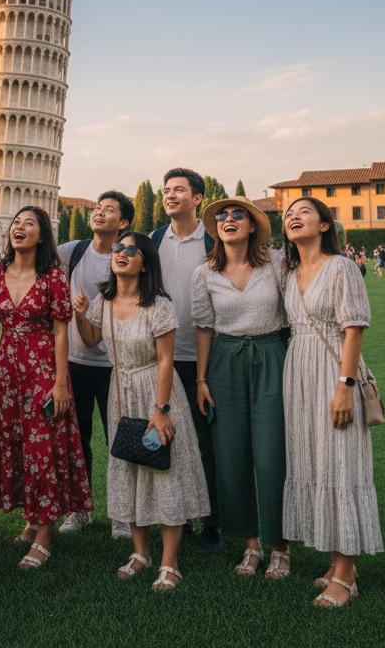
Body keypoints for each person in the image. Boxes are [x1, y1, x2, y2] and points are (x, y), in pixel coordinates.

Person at [73, 232, 209, 592]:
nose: (121, 253)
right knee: (129, 467)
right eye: (118, 248)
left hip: (156, 390)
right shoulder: (104, 300)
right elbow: (91, 340)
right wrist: (80, 315)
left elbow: (166, 360)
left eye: (131, 250)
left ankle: (169, 561)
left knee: (164, 470)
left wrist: (161, 410)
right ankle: (140, 553)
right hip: (121, 392)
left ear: (145, 263)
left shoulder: (158, 305)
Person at [281, 196, 382, 607]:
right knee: (315, 461)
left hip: (333, 370)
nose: (293, 217)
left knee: (341, 461)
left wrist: (344, 385)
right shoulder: (289, 274)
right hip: (299, 375)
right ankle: (338, 562)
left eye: (303, 212)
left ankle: (345, 575)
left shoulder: (341, 267)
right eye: (289, 214)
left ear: (324, 225)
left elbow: (354, 327)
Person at [191, 197, 291, 580]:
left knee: (271, 457)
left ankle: (279, 545)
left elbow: (294, 313)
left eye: (237, 215)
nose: (228, 220)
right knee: (231, 456)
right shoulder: (204, 274)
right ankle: (251, 544)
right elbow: (204, 328)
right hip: (224, 362)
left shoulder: (276, 264)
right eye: (222, 216)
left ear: (252, 227)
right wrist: (201, 380)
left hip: (270, 356)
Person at [0, 205, 92, 569]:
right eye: (16, 222)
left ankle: (44, 536)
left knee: (43, 448)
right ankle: (31, 520)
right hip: (7, 371)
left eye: (29, 223)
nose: (19, 227)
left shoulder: (53, 277)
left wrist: (60, 382)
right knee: (17, 443)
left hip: (42, 368)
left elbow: (62, 331)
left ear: (42, 235)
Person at [57, 190, 135, 540]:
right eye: (98, 208)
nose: (100, 213)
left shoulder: (125, 257)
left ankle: (122, 513)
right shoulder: (72, 251)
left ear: (123, 222)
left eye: (109, 210)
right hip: (75, 361)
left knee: (118, 439)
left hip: (116, 363)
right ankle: (79, 508)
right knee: (77, 439)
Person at [153, 168, 222, 548]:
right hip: (161, 357)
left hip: (204, 357)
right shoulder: (154, 240)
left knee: (207, 440)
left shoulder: (213, 240)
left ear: (197, 198)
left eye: (179, 189)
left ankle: (213, 519)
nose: (170, 195)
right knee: (168, 438)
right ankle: (177, 514)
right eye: (166, 190)